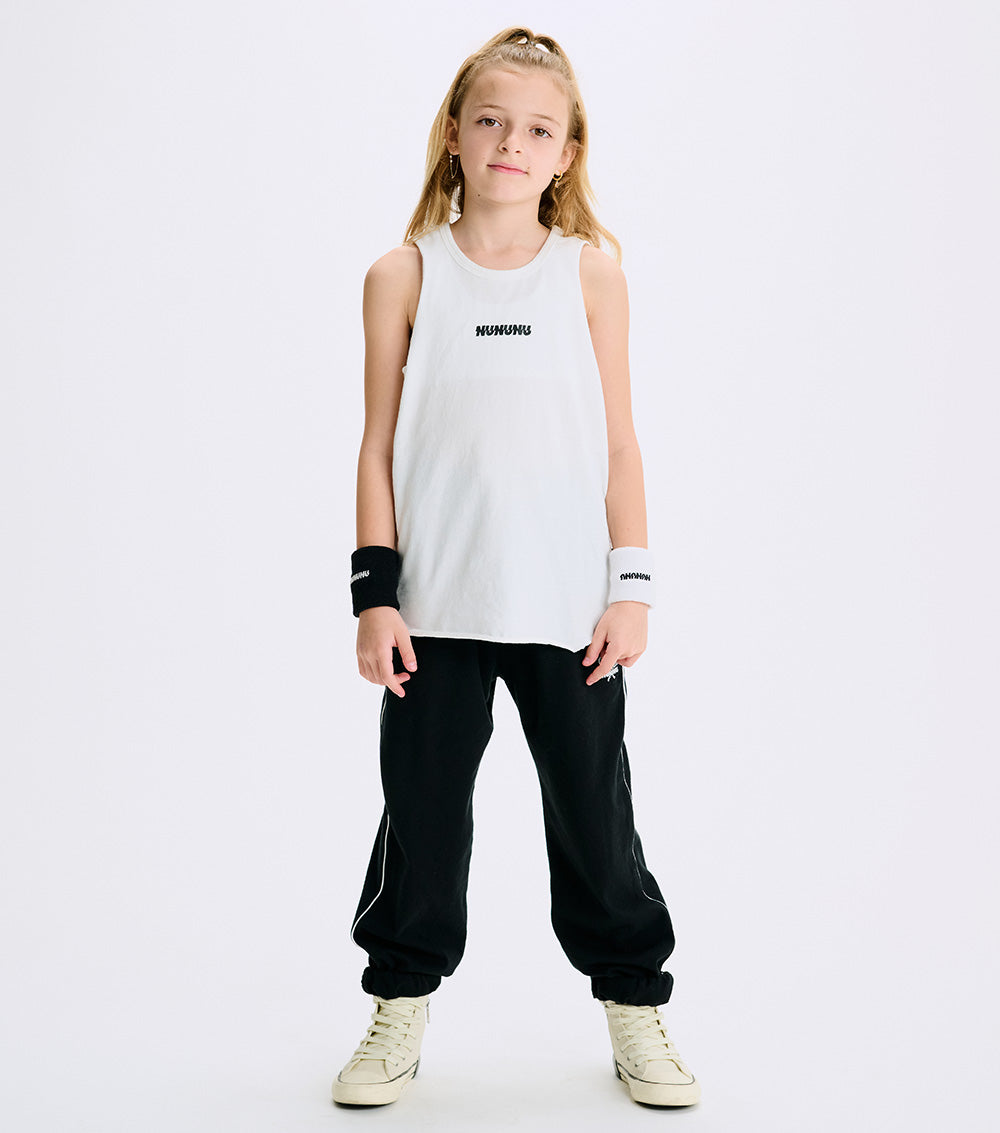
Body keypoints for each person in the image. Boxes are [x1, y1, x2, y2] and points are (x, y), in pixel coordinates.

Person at [333, 26, 701, 1110]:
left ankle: (634, 1003)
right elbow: (376, 445)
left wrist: (631, 588)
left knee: (596, 819)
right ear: (454, 133)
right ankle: (397, 1004)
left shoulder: (591, 276)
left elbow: (620, 444)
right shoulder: (402, 274)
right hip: (434, 610)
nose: (511, 142)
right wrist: (375, 597)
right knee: (423, 818)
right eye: (490, 120)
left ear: (566, 153)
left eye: (539, 129)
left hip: (567, 609)